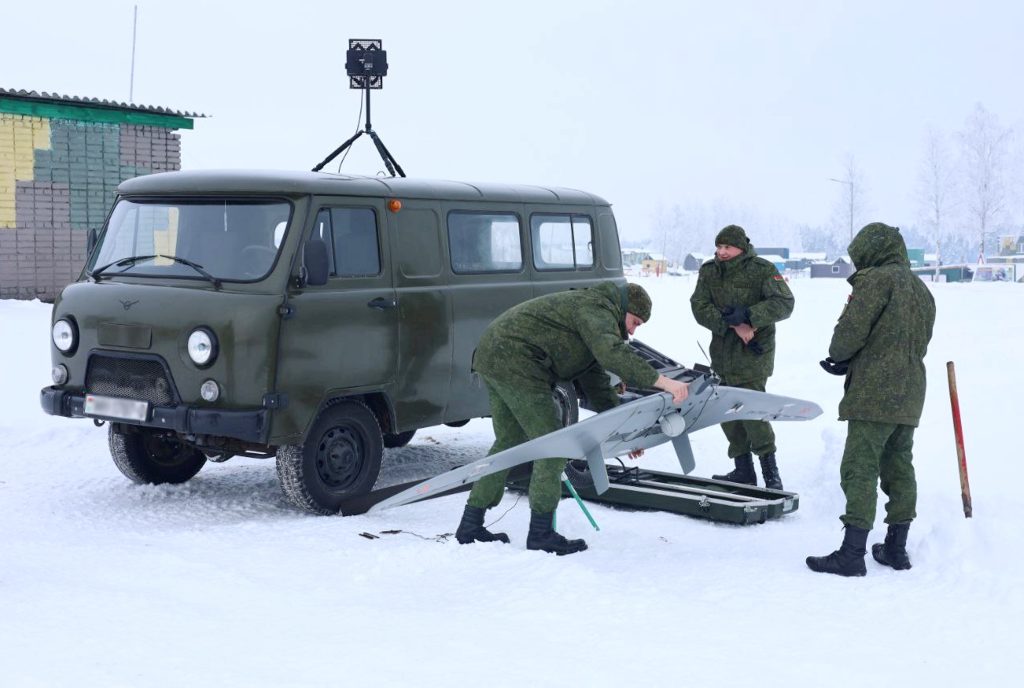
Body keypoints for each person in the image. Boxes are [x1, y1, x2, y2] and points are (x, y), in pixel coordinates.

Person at [454, 282, 690, 555]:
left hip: (494, 354)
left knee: (509, 441)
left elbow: (596, 384)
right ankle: (541, 534)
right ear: (624, 308)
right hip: (516, 360)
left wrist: (625, 434)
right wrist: (664, 382)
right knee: (553, 446)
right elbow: (613, 354)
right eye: (635, 322)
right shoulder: (595, 308)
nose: (634, 331)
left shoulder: (595, 318)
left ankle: (470, 524)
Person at [806, 222, 935, 577]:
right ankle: (896, 548)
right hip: (911, 391)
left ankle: (851, 555)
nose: (858, 264)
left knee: (860, 467)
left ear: (872, 251)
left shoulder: (875, 280)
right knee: (899, 466)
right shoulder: (922, 289)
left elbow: (850, 332)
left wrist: (841, 356)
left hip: (874, 393)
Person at [689, 225, 795, 489]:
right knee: (727, 413)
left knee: (753, 413)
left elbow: (784, 303)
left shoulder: (762, 269)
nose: (722, 252)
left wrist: (749, 316)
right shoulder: (709, 271)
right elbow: (699, 305)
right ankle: (743, 470)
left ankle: (771, 474)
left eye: (728, 247)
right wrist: (732, 323)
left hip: (753, 354)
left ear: (741, 247)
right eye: (719, 247)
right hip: (722, 354)